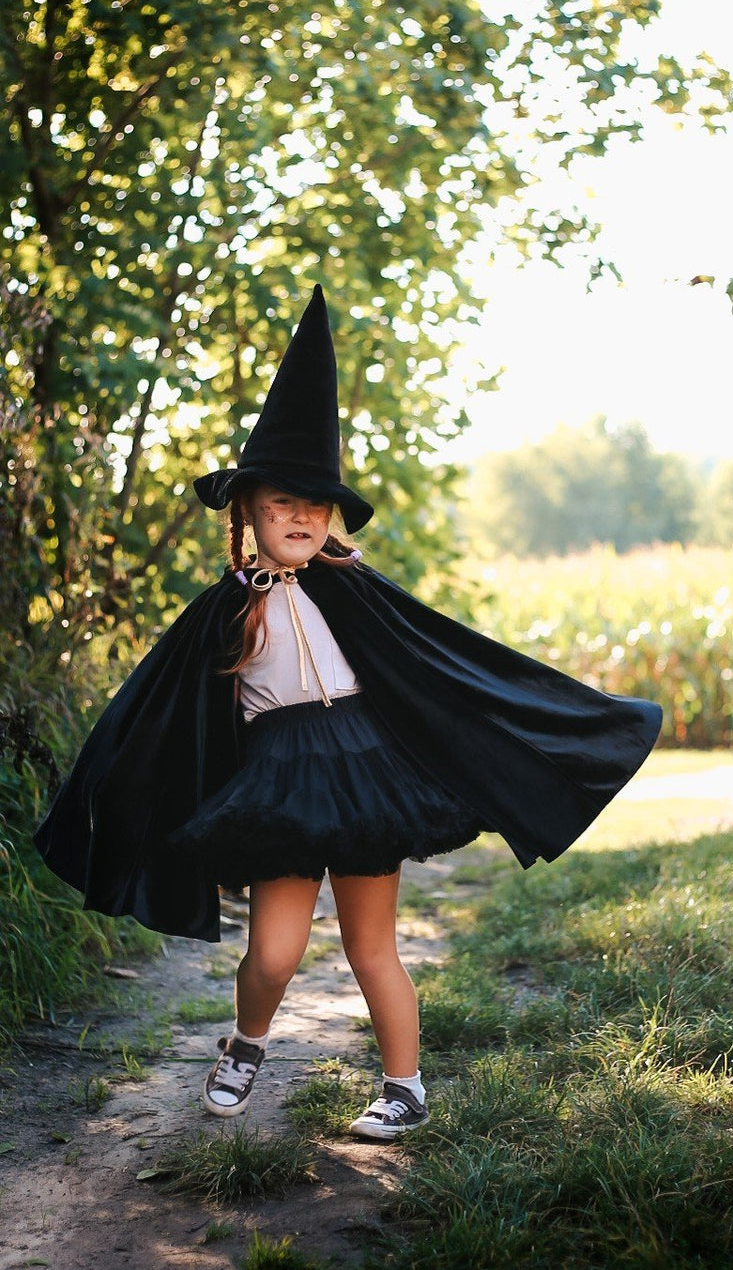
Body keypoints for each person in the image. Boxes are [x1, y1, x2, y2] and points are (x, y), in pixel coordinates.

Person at [33, 286, 663, 1141]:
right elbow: (163, 716)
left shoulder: (357, 591)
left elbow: (445, 668)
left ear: (331, 517)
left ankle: (404, 1085)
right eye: (281, 501)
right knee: (276, 952)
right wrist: (119, 793)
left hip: (369, 780)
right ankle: (247, 1045)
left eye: (315, 503)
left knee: (374, 947)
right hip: (279, 788)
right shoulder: (224, 611)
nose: (299, 516)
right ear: (246, 510)